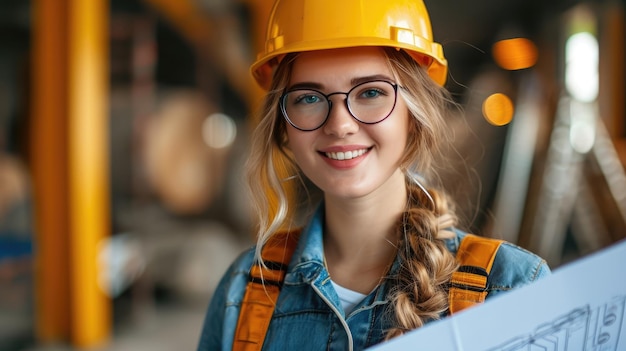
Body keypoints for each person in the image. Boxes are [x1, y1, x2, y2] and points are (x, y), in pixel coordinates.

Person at [197, 0, 550, 350]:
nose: (340, 125)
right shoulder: (243, 291)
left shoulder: (510, 289)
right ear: (283, 126)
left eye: (371, 93)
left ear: (414, 114)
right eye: (308, 98)